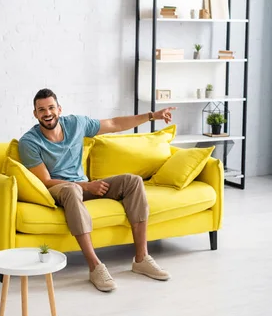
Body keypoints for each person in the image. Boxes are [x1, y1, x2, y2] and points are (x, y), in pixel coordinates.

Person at [18, 88, 175, 292]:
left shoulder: (75, 124)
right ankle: (95, 267)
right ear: (35, 114)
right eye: (41, 110)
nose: (47, 113)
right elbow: (46, 181)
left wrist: (151, 116)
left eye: (51, 108)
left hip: (83, 186)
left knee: (133, 181)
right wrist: (85, 186)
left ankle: (141, 258)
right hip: (60, 190)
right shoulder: (29, 142)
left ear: (59, 109)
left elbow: (114, 124)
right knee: (72, 190)